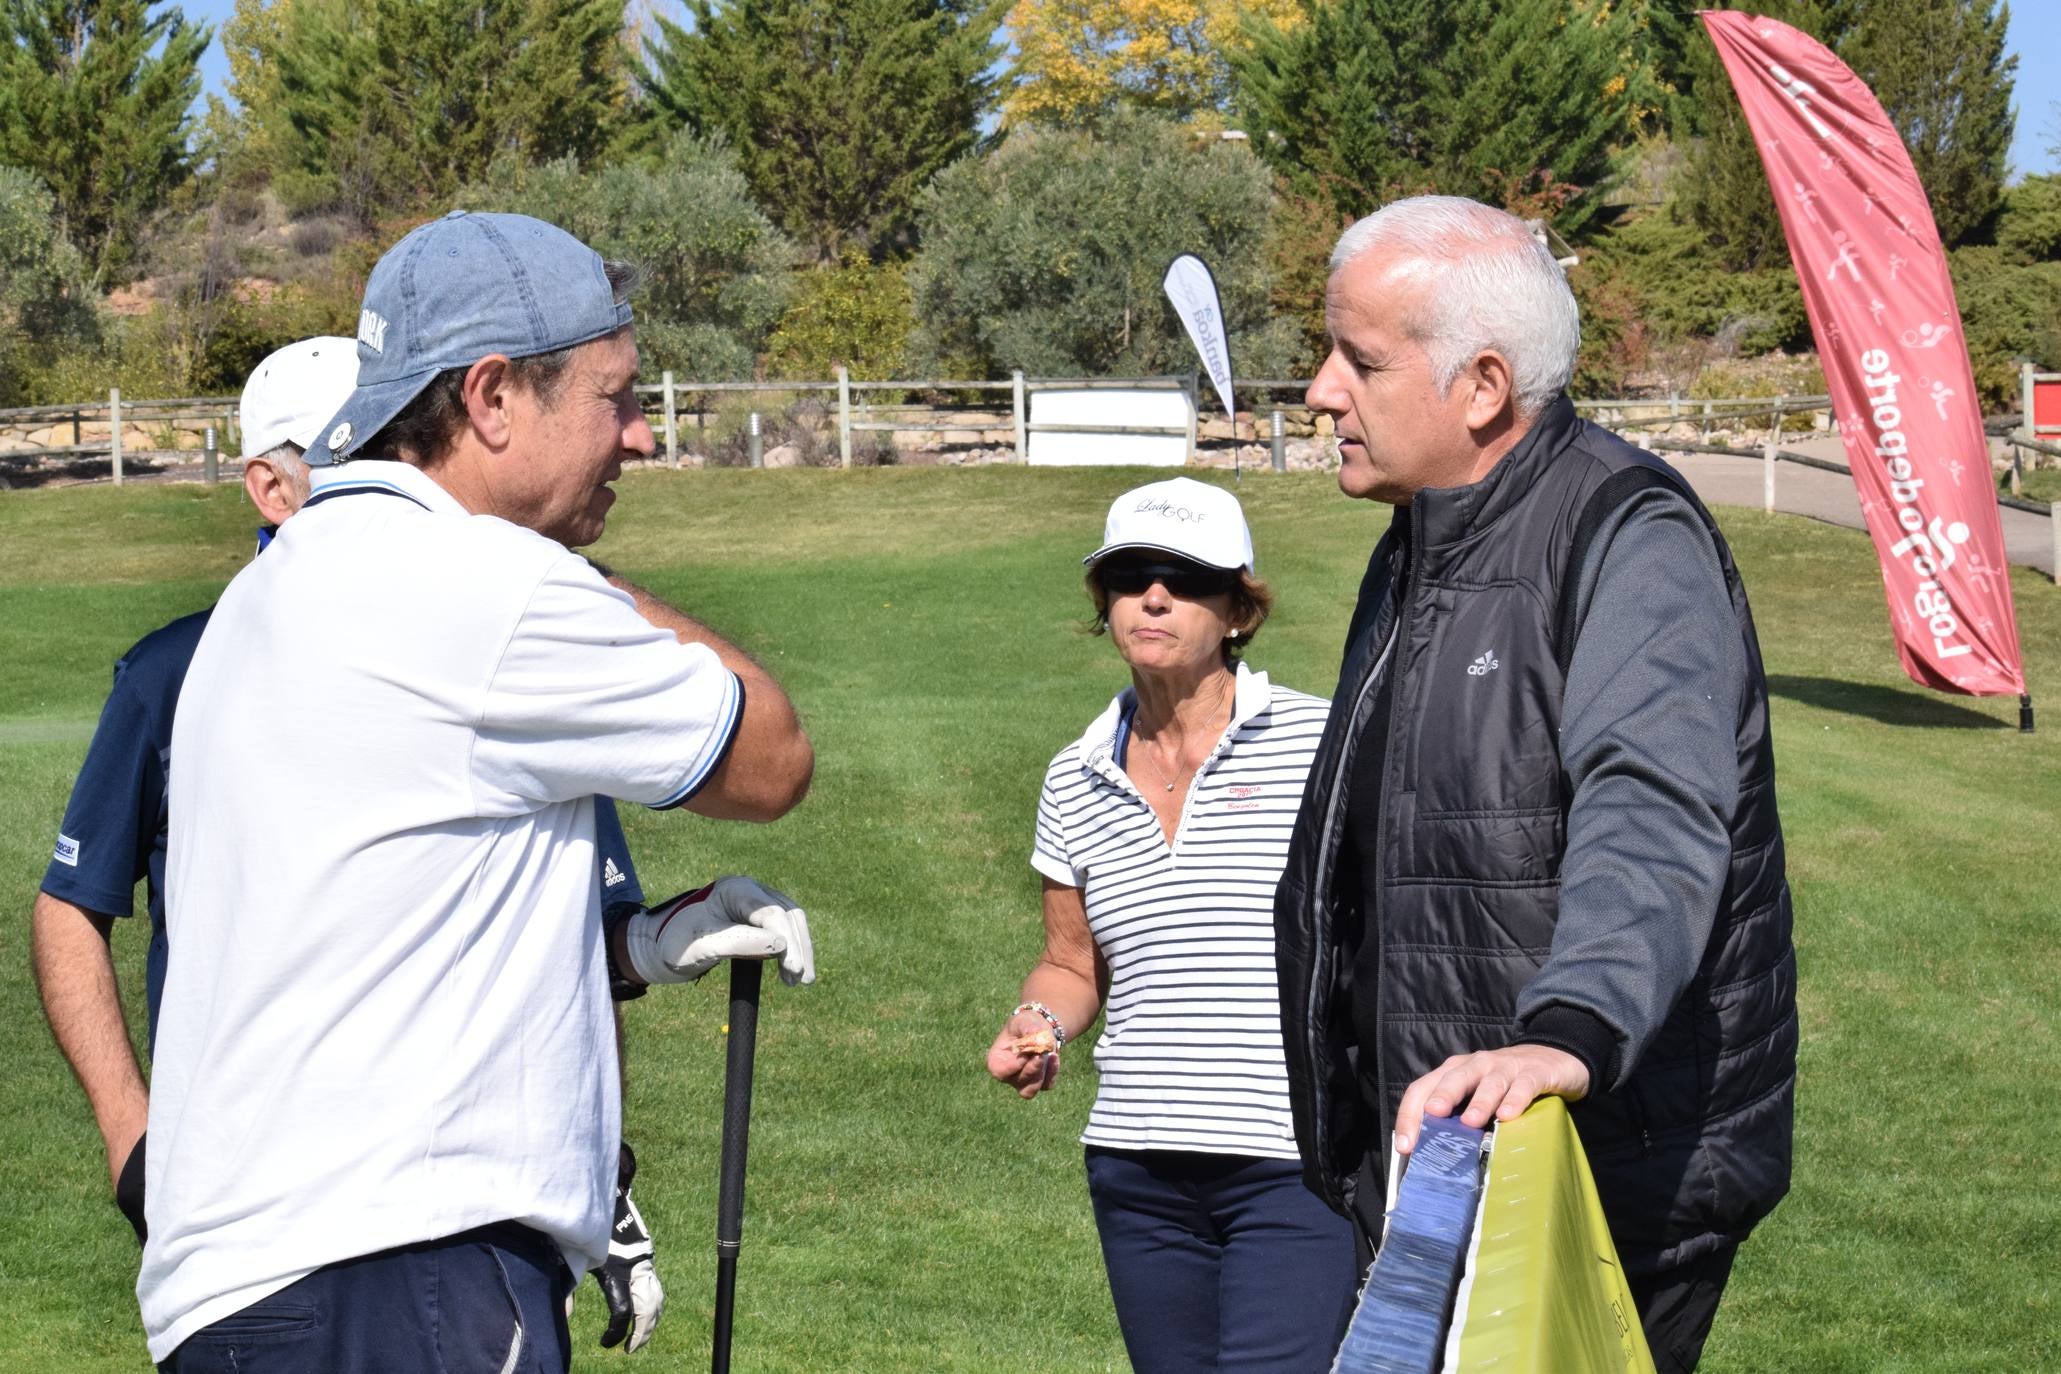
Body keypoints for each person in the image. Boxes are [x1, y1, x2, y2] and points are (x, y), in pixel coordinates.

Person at [138, 212, 816, 1372]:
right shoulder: (482, 582)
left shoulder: (273, 590)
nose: (641, 438)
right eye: (616, 396)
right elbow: (771, 757)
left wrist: (646, 945)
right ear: (493, 397)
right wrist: (570, 569)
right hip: (406, 1273)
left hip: (245, 1291)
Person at [34, 336, 672, 1354]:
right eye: (355, 454)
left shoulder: (506, 649)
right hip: (294, 1227)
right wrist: (133, 1143)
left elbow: (576, 944)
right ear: (271, 487)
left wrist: (608, 1174)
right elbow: (73, 903)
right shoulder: (180, 671)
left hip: (443, 1224)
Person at [1274, 196, 1796, 1373]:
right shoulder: (1423, 538)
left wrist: (1572, 1031)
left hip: (1586, 1175)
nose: (1318, 390)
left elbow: (1653, 808)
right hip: (1439, 1168)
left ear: (1483, 387)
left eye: (1358, 358)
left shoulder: (1628, 533)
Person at [987, 477, 1357, 1373]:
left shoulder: (1324, 741)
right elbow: (1071, 964)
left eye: (1184, 579)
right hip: (1137, 1168)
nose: (1152, 597)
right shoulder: (1072, 776)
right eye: (1129, 576)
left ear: (1236, 609)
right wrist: (1038, 1021)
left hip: (1294, 1163)